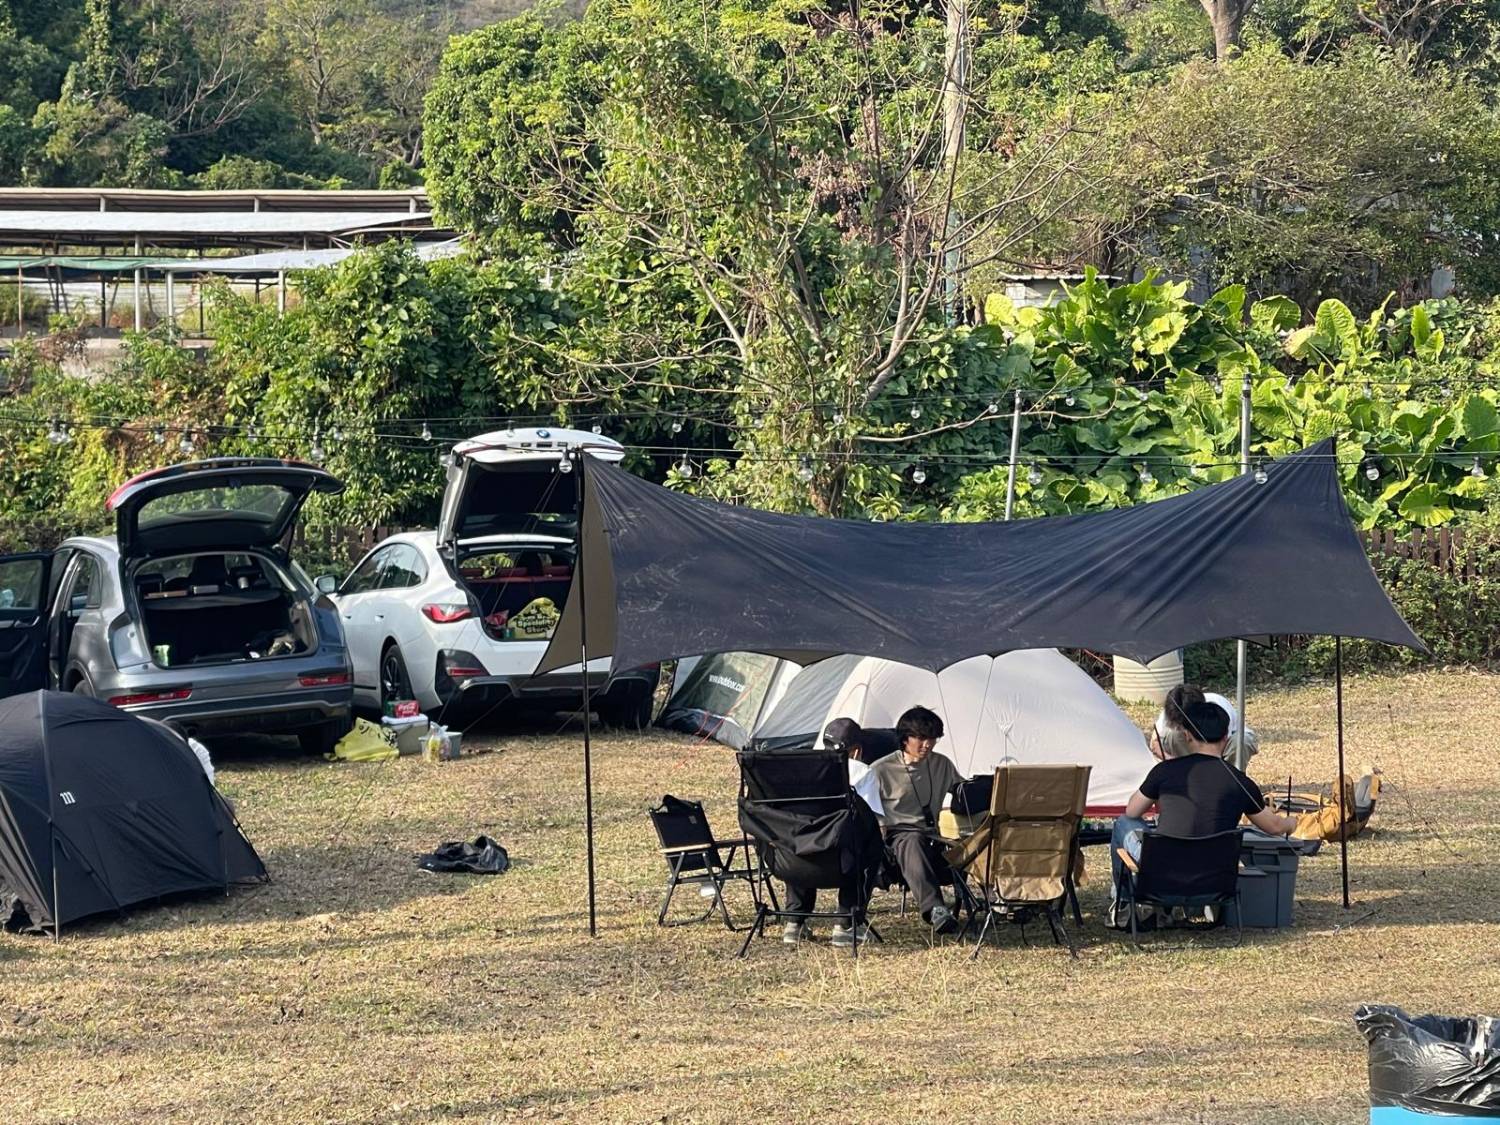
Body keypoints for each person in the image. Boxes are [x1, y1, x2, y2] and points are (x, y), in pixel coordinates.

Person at [1110, 686, 1297, 926]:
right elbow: (1273, 827)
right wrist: (1291, 822)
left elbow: (1132, 811)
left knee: (1123, 823)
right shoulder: (1240, 782)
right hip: (1215, 879)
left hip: (1161, 874)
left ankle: (1127, 907)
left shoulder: (1163, 771)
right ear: (1226, 737)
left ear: (1187, 735)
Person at [781, 717, 882, 947]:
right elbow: (871, 820)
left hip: (794, 861)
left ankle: (794, 923)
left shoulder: (799, 770)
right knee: (867, 844)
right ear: (857, 751)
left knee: (798, 835)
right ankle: (846, 924)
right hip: (842, 863)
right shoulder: (862, 772)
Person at [871, 705, 965, 935]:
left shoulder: (941, 764)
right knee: (911, 840)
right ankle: (935, 910)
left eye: (933, 739)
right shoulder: (881, 770)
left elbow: (964, 792)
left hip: (933, 836)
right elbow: (868, 811)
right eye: (921, 738)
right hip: (898, 837)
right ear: (905, 739)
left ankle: (1001, 900)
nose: (928, 745)